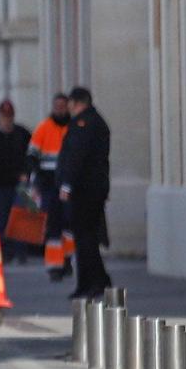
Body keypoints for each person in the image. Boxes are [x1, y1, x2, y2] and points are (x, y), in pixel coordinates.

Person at [57, 86, 114, 300]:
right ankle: (96, 280)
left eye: (71, 102)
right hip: (91, 190)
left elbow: (76, 158)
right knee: (86, 238)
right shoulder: (93, 122)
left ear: (77, 102)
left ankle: (92, 283)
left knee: (85, 239)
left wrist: (67, 185)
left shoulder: (85, 123)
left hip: (84, 191)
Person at [29, 94, 73, 279]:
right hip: (49, 184)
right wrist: (35, 179)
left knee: (69, 226)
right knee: (53, 225)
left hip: (69, 183)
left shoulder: (74, 127)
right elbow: (32, 155)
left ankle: (68, 260)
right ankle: (54, 266)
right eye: (57, 106)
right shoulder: (44, 128)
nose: (60, 109)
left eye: (63, 106)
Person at [0, 100, 32, 257]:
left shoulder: (22, 133)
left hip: (19, 183)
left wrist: (27, 172)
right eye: (4, 116)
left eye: (9, 116)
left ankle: (20, 252)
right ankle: (1, 252)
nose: (6, 120)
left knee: (19, 218)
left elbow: (31, 155)